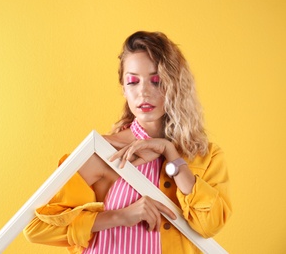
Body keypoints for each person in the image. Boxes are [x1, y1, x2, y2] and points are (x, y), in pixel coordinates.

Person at [23, 31, 232, 254]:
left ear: (175, 85)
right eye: (133, 81)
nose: (143, 92)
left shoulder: (204, 156)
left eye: (156, 81)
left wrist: (171, 154)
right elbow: (36, 228)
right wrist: (120, 216)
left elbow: (209, 225)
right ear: (123, 88)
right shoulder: (103, 152)